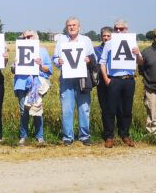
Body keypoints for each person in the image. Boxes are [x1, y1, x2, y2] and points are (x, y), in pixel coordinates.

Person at [53, 17, 95, 146]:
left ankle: (84, 136)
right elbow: (55, 58)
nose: (71, 27)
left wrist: (89, 60)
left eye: (74, 25)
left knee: (84, 108)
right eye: (69, 25)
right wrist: (58, 62)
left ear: (79, 27)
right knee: (67, 109)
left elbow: (94, 57)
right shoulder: (61, 40)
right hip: (66, 80)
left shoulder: (86, 40)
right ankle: (68, 137)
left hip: (82, 79)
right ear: (66, 27)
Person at [99, 20, 140, 148]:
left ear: (126, 29)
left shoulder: (133, 43)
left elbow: (141, 61)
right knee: (110, 109)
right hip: (114, 80)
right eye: (116, 28)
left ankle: (125, 134)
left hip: (128, 80)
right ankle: (109, 136)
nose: (118, 31)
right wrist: (106, 79)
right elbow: (102, 62)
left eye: (121, 29)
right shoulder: (109, 44)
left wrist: (138, 53)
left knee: (126, 109)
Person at [12, 30, 52, 145]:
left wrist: (40, 65)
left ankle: (39, 136)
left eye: (29, 36)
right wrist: (14, 65)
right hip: (21, 83)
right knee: (23, 111)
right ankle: (23, 136)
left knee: (37, 110)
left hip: (36, 84)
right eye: (24, 37)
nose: (26, 39)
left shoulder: (42, 52)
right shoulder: (20, 50)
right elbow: (12, 70)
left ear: (36, 38)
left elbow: (49, 70)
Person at [94, 27, 113, 141]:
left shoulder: (117, 47)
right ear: (101, 37)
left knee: (117, 108)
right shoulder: (96, 49)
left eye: (108, 36)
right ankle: (108, 134)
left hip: (115, 80)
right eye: (104, 36)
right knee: (105, 109)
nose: (106, 38)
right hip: (102, 82)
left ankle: (120, 132)